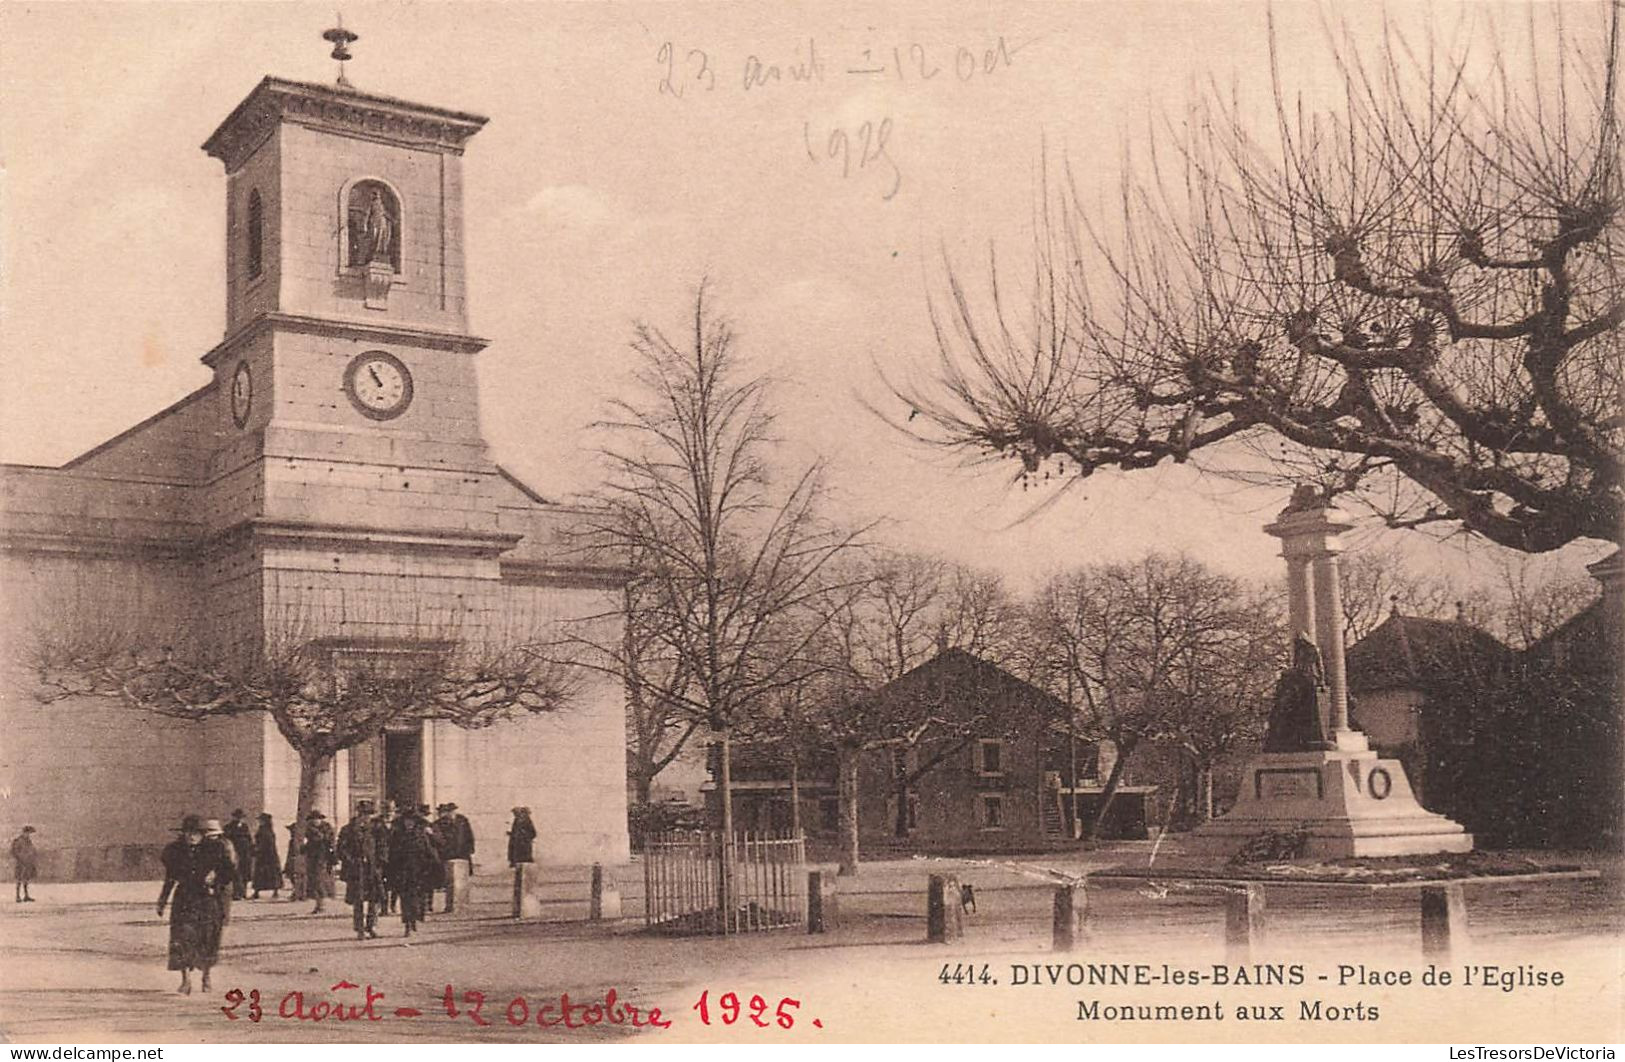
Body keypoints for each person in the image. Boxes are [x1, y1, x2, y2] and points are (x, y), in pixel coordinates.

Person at [157, 814, 234, 995]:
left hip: (207, 901)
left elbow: (230, 875)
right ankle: (185, 980)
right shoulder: (175, 852)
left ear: (202, 835)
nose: (191, 837)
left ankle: (206, 976)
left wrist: (216, 878)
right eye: (188, 833)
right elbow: (170, 878)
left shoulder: (215, 850)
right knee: (181, 939)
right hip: (184, 899)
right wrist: (162, 901)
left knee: (207, 939)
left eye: (196, 833)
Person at [337, 801, 384, 940]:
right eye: (363, 814)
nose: (366, 817)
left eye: (368, 814)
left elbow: (383, 846)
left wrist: (380, 861)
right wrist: (351, 860)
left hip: (373, 868)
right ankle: (359, 929)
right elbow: (341, 848)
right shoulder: (348, 830)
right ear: (358, 814)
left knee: (375, 899)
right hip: (357, 870)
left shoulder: (376, 829)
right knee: (358, 900)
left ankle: (371, 926)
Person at [391, 812, 440, 937]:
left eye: (411, 821)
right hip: (403, 872)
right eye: (406, 821)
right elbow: (392, 853)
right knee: (405, 899)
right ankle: (407, 923)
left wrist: (432, 866)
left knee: (417, 898)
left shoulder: (421, 836)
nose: (408, 823)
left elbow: (430, 852)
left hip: (419, 872)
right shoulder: (397, 836)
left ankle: (414, 920)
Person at [202, 819, 239, 929]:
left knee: (222, 905)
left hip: (223, 879)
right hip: (219, 880)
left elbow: (231, 863)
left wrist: (216, 873)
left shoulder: (224, 845)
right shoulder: (225, 843)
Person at [303, 810, 337, 914]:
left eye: (317, 819)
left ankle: (321, 904)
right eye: (313, 819)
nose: (315, 821)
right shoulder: (309, 830)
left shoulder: (326, 829)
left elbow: (330, 842)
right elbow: (308, 843)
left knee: (320, 880)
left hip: (324, 858)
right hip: (312, 858)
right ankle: (318, 904)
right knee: (314, 880)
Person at [223, 810, 255, 900]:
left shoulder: (245, 827)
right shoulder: (229, 827)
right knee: (236, 873)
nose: (239, 819)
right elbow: (227, 840)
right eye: (237, 817)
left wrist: (251, 850)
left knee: (245, 873)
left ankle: (243, 893)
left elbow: (249, 839)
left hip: (245, 854)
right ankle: (236, 893)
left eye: (240, 817)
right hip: (235, 852)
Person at [251, 813, 282, 900]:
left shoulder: (266, 831)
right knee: (265, 873)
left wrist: (257, 849)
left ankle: (273, 891)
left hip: (267, 855)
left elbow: (266, 843)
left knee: (267, 873)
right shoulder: (265, 830)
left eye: (261, 820)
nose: (259, 822)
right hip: (267, 855)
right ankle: (258, 892)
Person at [11, 826, 38, 903]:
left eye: (29, 833)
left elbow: (32, 850)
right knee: (19, 879)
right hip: (20, 863)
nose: (28, 835)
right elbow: (14, 851)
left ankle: (26, 896)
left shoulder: (28, 841)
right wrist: (20, 858)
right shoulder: (18, 841)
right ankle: (17, 896)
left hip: (27, 863)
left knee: (26, 880)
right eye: (28, 833)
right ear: (24, 833)